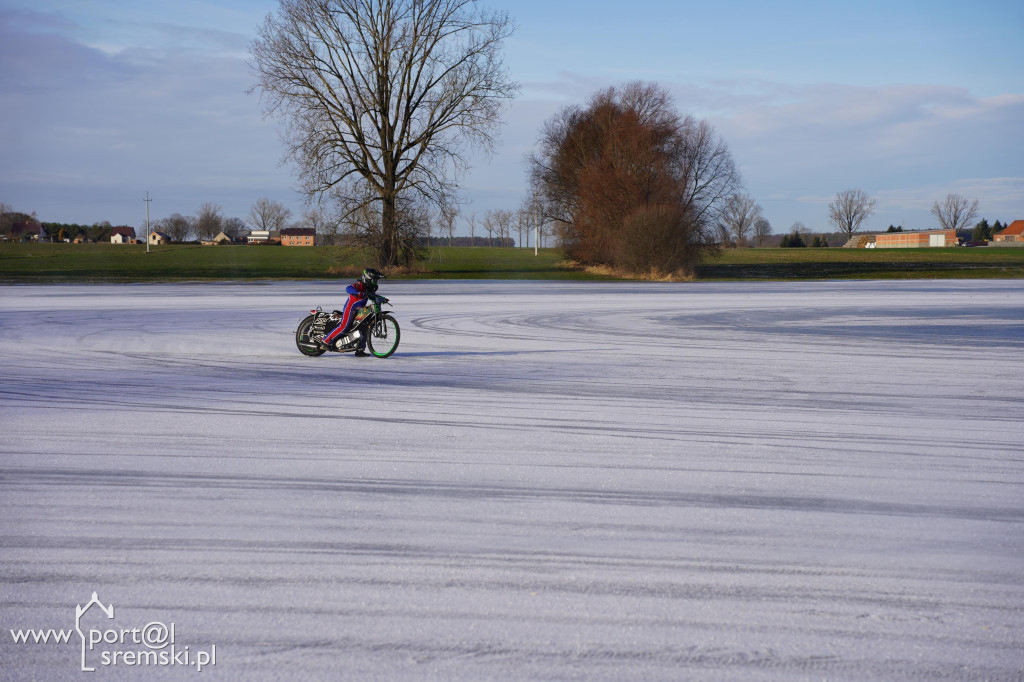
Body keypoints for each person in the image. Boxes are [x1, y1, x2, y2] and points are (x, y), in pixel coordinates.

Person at [319, 268, 384, 356]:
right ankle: (325, 341)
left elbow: (371, 296)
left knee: (364, 326)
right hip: (351, 308)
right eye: (375, 279)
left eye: (377, 280)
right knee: (344, 326)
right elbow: (348, 288)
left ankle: (360, 350)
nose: (376, 281)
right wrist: (357, 293)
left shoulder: (370, 288)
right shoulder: (359, 284)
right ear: (368, 278)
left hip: (359, 310)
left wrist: (380, 298)